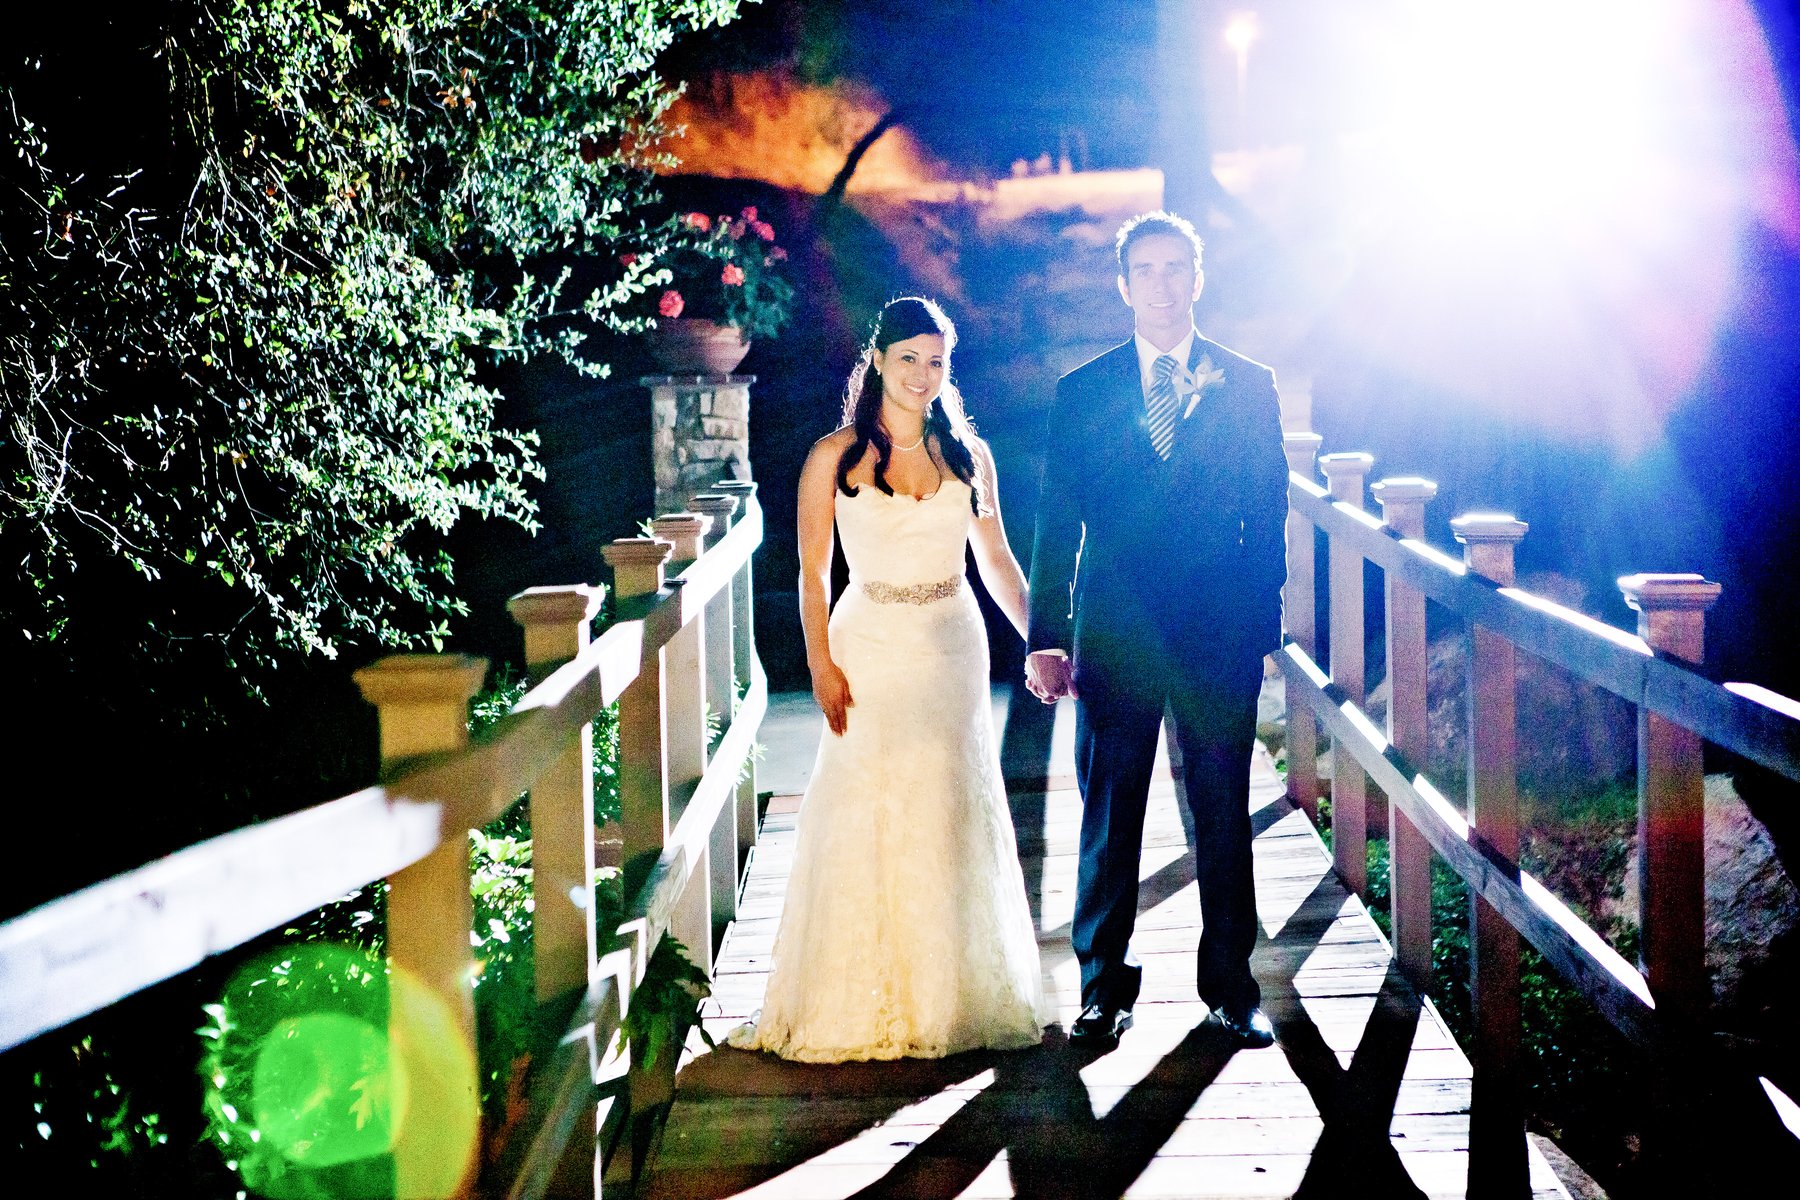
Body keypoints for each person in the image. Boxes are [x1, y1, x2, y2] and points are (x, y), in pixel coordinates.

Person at [728, 296, 1051, 1062]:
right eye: (908, 358)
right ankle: (858, 996)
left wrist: (1041, 642)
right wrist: (819, 663)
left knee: (944, 803)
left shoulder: (968, 456)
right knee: (867, 804)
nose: (921, 374)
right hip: (866, 643)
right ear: (877, 359)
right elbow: (812, 573)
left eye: (936, 361)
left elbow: (996, 560)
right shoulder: (832, 457)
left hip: (951, 645)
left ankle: (948, 998)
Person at [1024, 211, 1288, 1049]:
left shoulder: (1248, 385)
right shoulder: (1083, 392)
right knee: (1110, 817)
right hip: (1115, 635)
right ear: (1124, 285)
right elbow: (1056, 521)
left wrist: (1260, 628)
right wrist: (1046, 636)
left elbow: (1268, 514)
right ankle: (1102, 990)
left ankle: (1232, 989)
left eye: (1176, 268)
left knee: (1223, 813)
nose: (1162, 283)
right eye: (1146, 270)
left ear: (1197, 278)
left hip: (1218, 636)